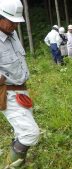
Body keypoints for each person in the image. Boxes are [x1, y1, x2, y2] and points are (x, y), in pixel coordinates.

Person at [0, 0, 40, 168]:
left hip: (22, 90)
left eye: (17, 21)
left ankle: (18, 162)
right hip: (7, 93)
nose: (15, 25)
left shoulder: (12, 33)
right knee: (30, 133)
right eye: (11, 21)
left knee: (22, 132)